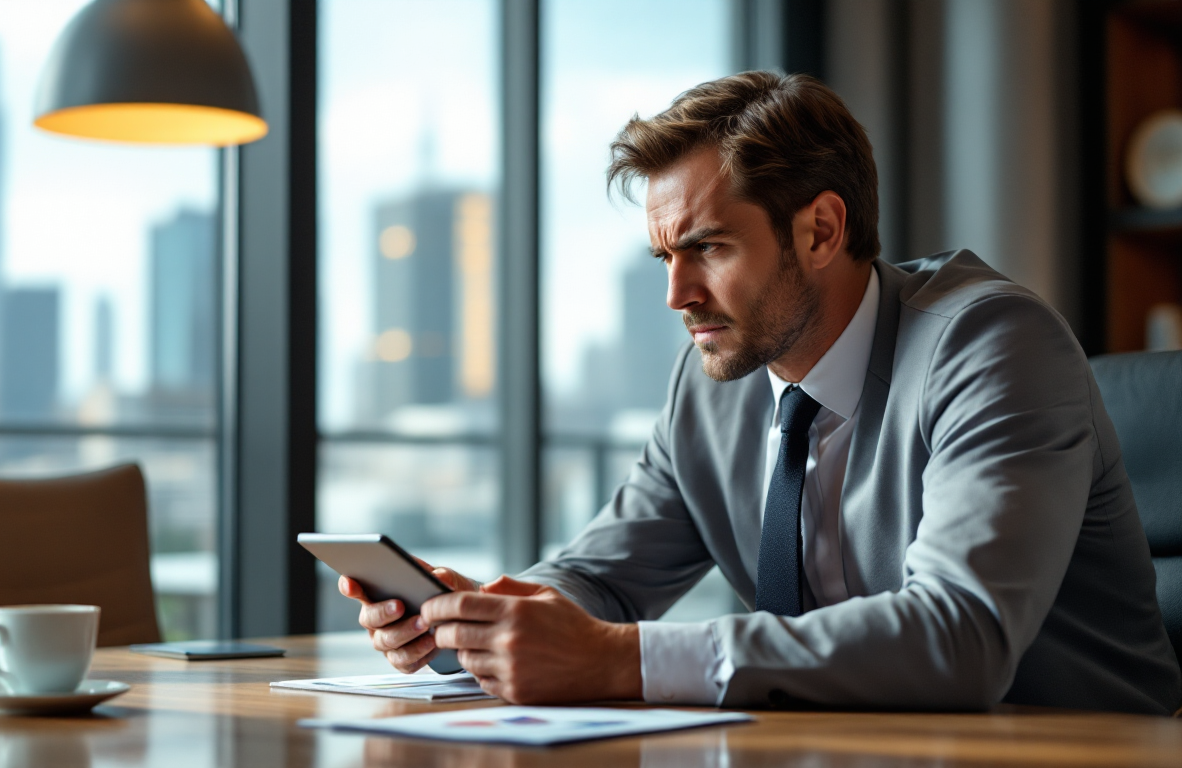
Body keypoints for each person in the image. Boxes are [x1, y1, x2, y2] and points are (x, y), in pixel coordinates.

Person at [339, 71, 1182, 714]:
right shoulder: (716, 382)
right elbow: (606, 577)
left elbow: (960, 637)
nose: (677, 296)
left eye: (707, 248)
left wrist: (615, 660)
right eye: (663, 259)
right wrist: (480, 619)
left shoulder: (991, 344)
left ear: (821, 229)